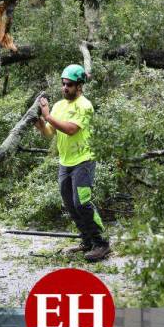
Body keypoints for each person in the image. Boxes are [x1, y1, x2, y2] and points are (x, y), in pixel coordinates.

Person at [35, 64, 110, 262]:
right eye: (63, 84)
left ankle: (101, 243)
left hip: (84, 160)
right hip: (65, 162)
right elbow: (50, 132)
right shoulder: (59, 106)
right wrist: (39, 122)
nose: (65, 88)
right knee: (69, 203)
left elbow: (70, 130)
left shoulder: (85, 106)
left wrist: (48, 115)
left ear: (79, 86)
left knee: (82, 203)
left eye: (69, 84)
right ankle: (86, 240)